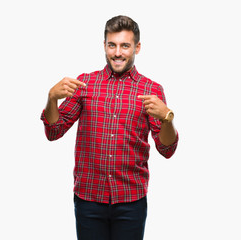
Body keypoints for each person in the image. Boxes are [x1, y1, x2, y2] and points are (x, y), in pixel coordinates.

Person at [41, 15, 178, 240]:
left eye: (125, 46)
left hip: (131, 200)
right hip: (88, 198)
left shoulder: (151, 90)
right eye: (112, 45)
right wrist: (51, 99)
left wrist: (167, 118)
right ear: (104, 45)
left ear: (137, 47)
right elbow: (53, 132)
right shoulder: (85, 83)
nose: (117, 52)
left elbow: (167, 149)